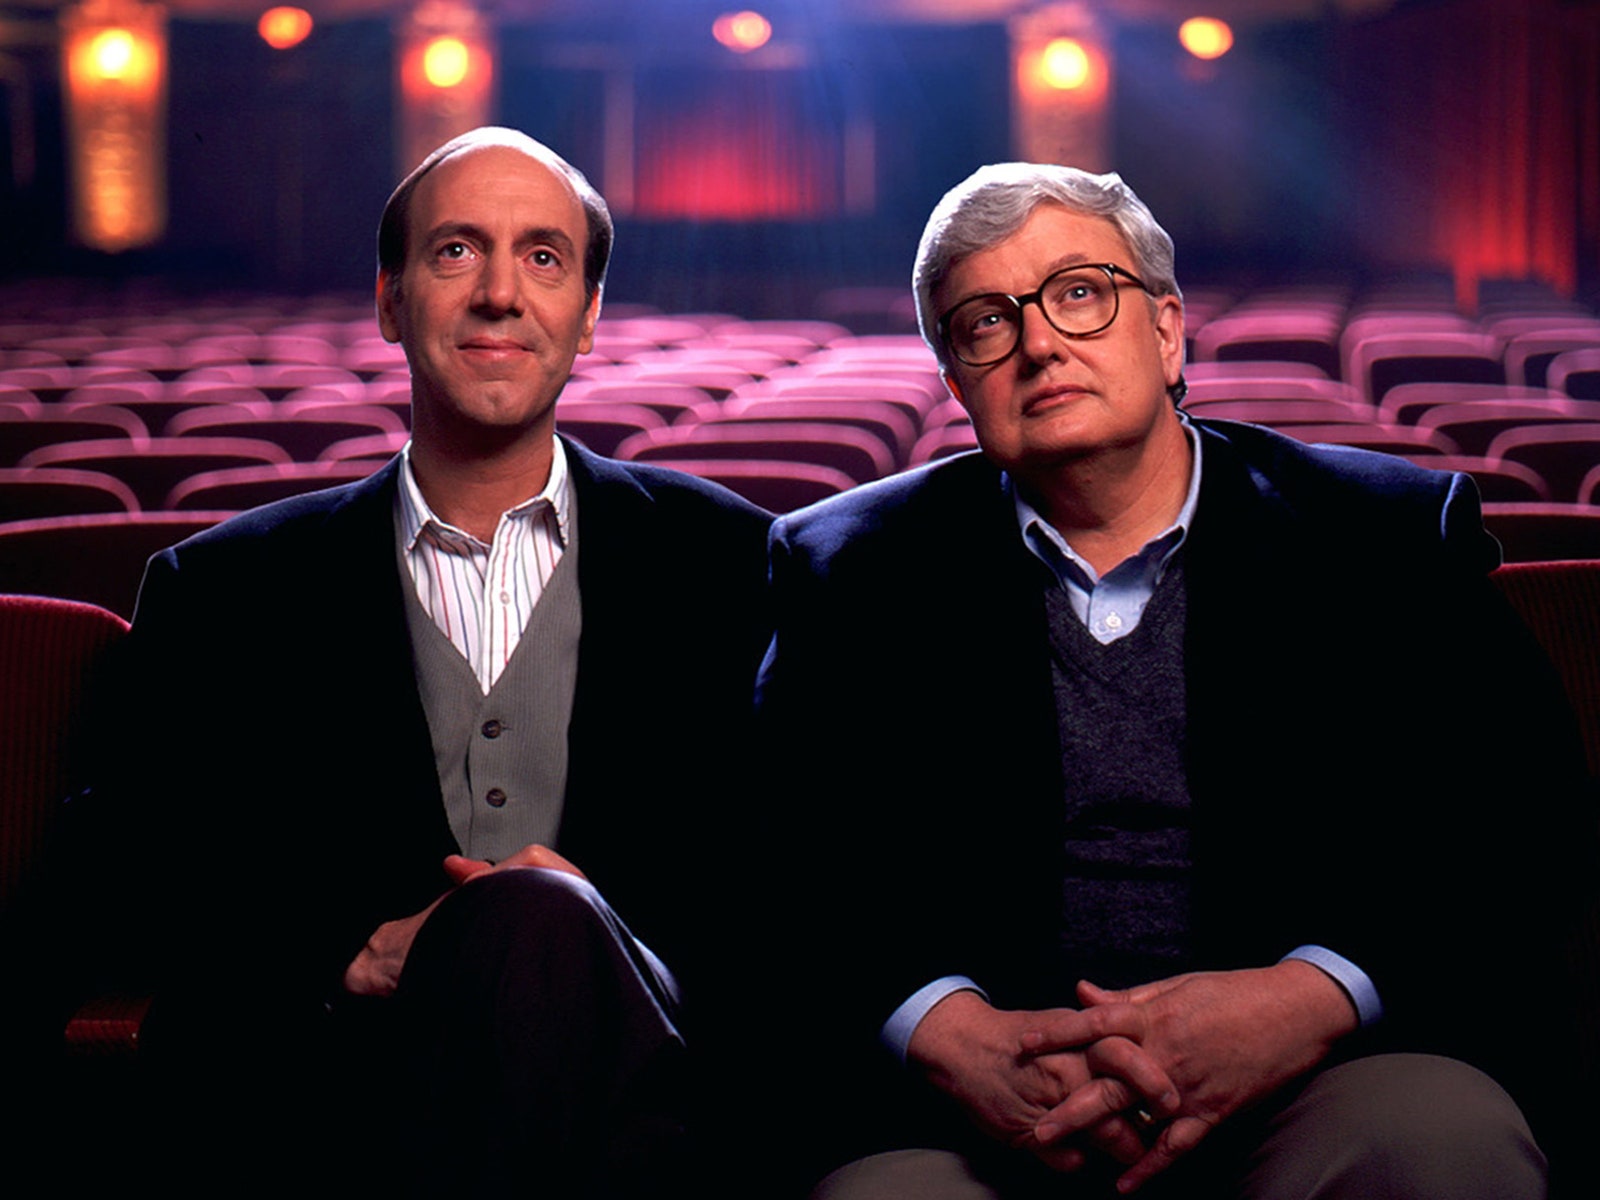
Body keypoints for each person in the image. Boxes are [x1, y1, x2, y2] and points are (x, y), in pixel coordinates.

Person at [754, 162, 1593, 1198]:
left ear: (1165, 329)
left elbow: (1526, 821)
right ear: (955, 379)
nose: (1039, 343)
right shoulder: (848, 566)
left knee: (1440, 1136)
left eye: (1076, 293)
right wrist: (941, 1026)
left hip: (1312, 1077)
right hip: (988, 1106)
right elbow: (778, 866)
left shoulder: (1381, 534)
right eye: (983, 321)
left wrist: (1311, 997)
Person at [96, 127, 770, 1193]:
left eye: (544, 257)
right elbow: (131, 878)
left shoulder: (732, 560)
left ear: (588, 315)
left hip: (661, 1103)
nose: (501, 292)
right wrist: (345, 959)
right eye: (456, 250)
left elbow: (798, 869)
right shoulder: (222, 588)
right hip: (335, 1109)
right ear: (389, 301)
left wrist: (591, 945)